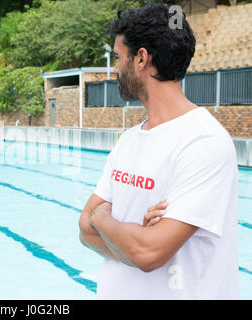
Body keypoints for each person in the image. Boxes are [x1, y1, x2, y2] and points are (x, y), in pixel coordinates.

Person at [79, 3, 238, 299]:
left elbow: (147, 252)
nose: (114, 68)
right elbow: (83, 231)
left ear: (141, 58)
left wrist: (104, 221)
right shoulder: (129, 139)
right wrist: (131, 235)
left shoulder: (203, 142)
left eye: (118, 57)